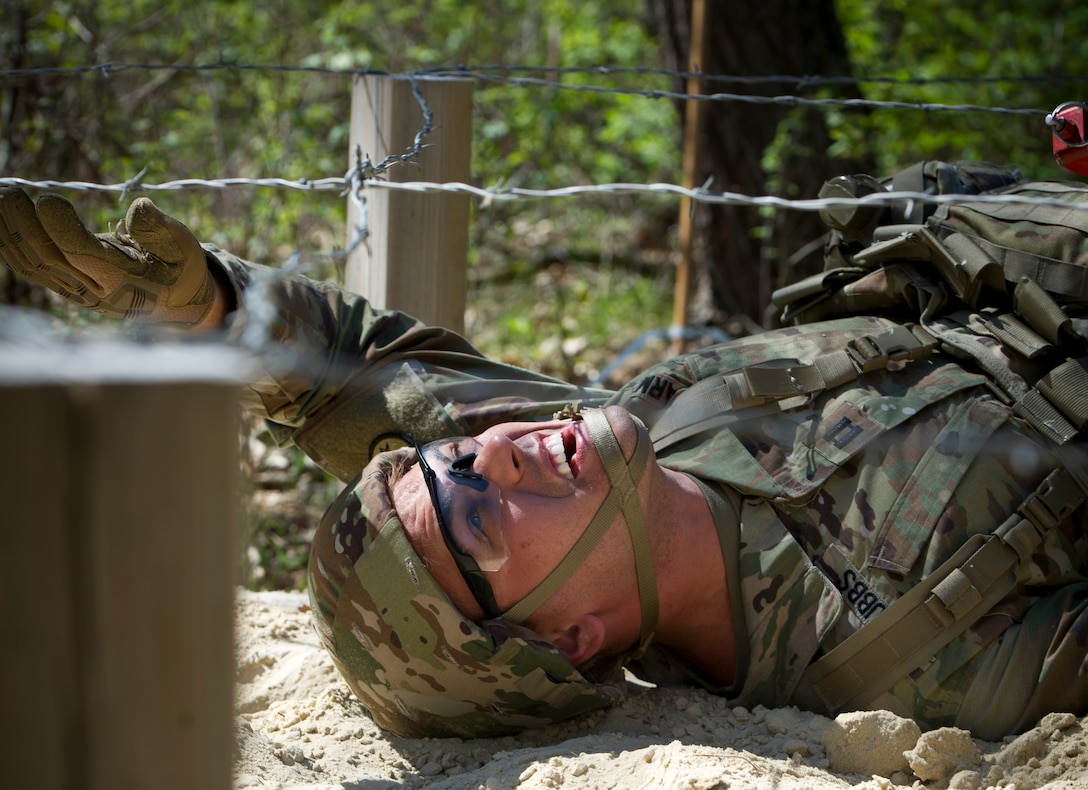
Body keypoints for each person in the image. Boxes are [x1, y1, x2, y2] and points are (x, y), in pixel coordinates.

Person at [1, 183, 1085, 742]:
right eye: (475, 517)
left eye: (459, 450)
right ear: (568, 637)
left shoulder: (581, 444)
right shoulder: (914, 663)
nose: (498, 449)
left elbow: (359, 372)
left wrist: (207, 313)